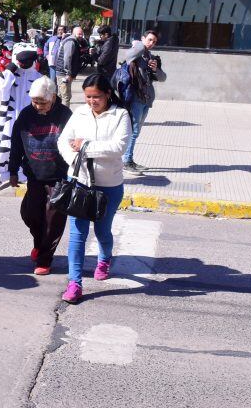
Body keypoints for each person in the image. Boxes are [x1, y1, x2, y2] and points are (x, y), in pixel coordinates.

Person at [57, 73, 131, 303]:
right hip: (80, 182)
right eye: (88, 97)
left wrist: (85, 146)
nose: (91, 101)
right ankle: (74, 283)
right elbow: (63, 141)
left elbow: (118, 147)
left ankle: (104, 258)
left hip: (109, 186)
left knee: (102, 231)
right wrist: (74, 159)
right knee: (77, 235)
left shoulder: (120, 115)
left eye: (96, 97)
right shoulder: (79, 113)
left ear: (108, 94)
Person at [9, 77, 72, 275]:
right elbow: (16, 144)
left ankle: (45, 258)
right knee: (31, 215)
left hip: (59, 176)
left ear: (53, 97)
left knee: (53, 221)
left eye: (42, 102)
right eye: (34, 102)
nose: (37, 106)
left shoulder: (65, 115)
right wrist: (12, 170)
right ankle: (39, 244)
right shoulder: (27, 114)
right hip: (34, 175)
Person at [0, 43, 44, 184]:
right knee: (5, 144)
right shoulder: (10, 74)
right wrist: (9, 71)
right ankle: (0, 173)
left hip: (29, 118)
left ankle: (23, 172)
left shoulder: (38, 77)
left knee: (27, 144)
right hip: (9, 116)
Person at [116, 30, 166, 174]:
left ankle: (129, 159)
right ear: (143, 38)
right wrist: (139, 44)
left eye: (154, 42)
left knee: (135, 132)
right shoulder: (136, 52)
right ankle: (126, 161)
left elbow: (163, 78)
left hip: (146, 99)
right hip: (135, 98)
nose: (152, 43)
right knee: (133, 130)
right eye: (149, 40)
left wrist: (156, 70)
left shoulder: (150, 56)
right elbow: (128, 56)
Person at [54, 26, 84, 107]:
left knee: (61, 95)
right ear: (73, 33)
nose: (81, 36)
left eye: (82, 34)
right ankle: (65, 117)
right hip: (64, 74)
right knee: (66, 97)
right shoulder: (71, 42)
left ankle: (58, 115)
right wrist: (69, 73)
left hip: (63, 73)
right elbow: (67, 58)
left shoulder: (74, 41)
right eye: (79, 34)